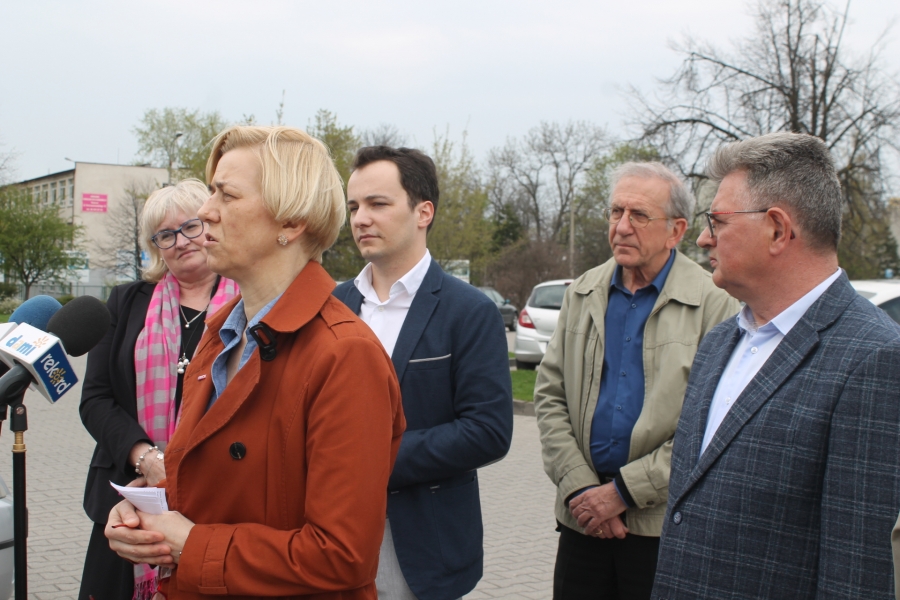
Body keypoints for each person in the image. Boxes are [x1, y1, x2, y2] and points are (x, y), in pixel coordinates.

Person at [105, 126, 405, 600]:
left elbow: (342, 555)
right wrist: (146, 514)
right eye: (211, 192)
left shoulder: (345, 355)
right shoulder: (220, 335)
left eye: (227, 195)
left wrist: (192, 544)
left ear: (291, 223)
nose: (206, 212)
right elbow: (212, 484)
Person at [652, 132, 900, 599]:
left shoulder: (874, 359)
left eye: (717, 221)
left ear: (777, 229)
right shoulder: (720, 342)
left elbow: (857, 571)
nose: (703, 238)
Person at [533, 162, 739, 600]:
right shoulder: (582, 291)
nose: (622, 226)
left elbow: (713, 426)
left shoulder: (715, 303)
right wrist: (582, 488)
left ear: (676, 230)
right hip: (582, 519)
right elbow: (550, 396)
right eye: (616, 212)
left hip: (661, 530)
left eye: (639, 215)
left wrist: (623, 492)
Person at [333, 146, 513, 600]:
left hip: (420, 546)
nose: (360, 219)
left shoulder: (468, 311)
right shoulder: (331, 306)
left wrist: (372, 463)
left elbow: (488, 431)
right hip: (327, 533)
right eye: (353, 207)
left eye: (377, 203)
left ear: (423, 212)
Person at [79, 179, 239, 600]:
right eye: (165, 235)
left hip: (219, 498)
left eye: (190, 226)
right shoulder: (125, 302)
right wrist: (147, 458)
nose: (180, 241)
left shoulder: (247, 302)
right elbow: (95, 399)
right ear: (156, 246)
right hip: (130, 500)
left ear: (210, 224)